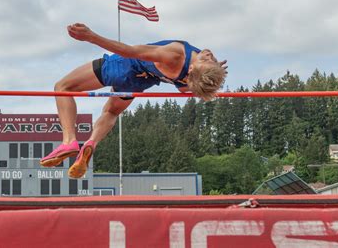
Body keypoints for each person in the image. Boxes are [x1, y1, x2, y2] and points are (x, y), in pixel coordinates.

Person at [40, 23, 227, 178]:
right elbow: (191, 87)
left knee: (63, 87)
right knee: (111, 111)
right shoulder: (191, 81)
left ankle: (69, 141)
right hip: (139, 82)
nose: (210, 55)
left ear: (191, 69)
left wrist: (91, 36)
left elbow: (130, 51)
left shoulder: (175, 54)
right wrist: (213, 72)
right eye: (211, 60)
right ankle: (91, 143)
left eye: (208, 61)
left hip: (124, 66)